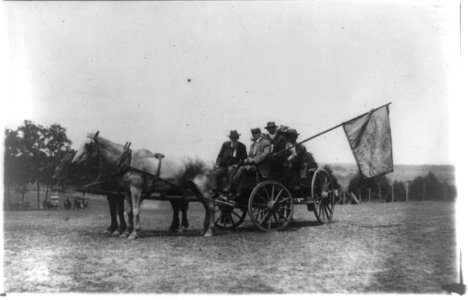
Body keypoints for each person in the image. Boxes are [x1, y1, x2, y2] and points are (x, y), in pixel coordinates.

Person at [230, 128, 271, 198]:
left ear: (259, 134)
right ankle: (238, 193)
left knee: (242, 169)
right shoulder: (253, 145)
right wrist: (247, 158)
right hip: (253, 166)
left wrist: (253, 160)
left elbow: (265, 154)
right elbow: (250, 155)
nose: (254, 135)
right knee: (238, 169)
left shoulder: (266, 142)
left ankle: (232, 186)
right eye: (253, 134)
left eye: (256, 134)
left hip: (261, 166)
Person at [211, 130, 247, 197]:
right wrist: (217, 164)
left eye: (235, 138)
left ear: (238, 138)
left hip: (234, 166)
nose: (234, 139)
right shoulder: (225, 144)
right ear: (230, 138)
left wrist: (238, 164)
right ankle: (215, 190)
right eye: (232, 138)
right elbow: (220, 155)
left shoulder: (242, 146)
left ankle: (229, 189)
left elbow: (244, 158)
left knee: (231, 170)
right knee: (215, 173)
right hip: (224, 166)